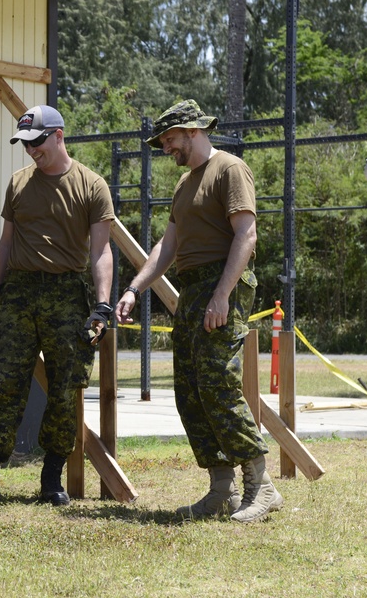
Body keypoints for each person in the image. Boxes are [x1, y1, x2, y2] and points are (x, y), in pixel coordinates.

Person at [114, 99, 283, 523]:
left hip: (222, 283)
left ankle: (261, 486)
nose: (166, 147)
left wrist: (222, 295)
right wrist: (136, 287)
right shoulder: (184, 185)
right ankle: (221, 490)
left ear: (192, 131)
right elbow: (166, 247)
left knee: (217, 382)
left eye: (170, 139)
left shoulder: (229, 168)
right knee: (189, 390)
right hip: (191, 290)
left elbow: (246, 234)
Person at [0, 104, 114, 508]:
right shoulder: (18, 183)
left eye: (37, 143)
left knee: (64, 389)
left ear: (58, 136)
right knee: (4, 384)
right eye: (25, 144)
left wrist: (102, 306)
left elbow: (101, 251)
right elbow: (5, 243)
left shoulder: (92, 185)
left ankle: (51, 479)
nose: (31, 151)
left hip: (67, 293)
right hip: (20, 293)